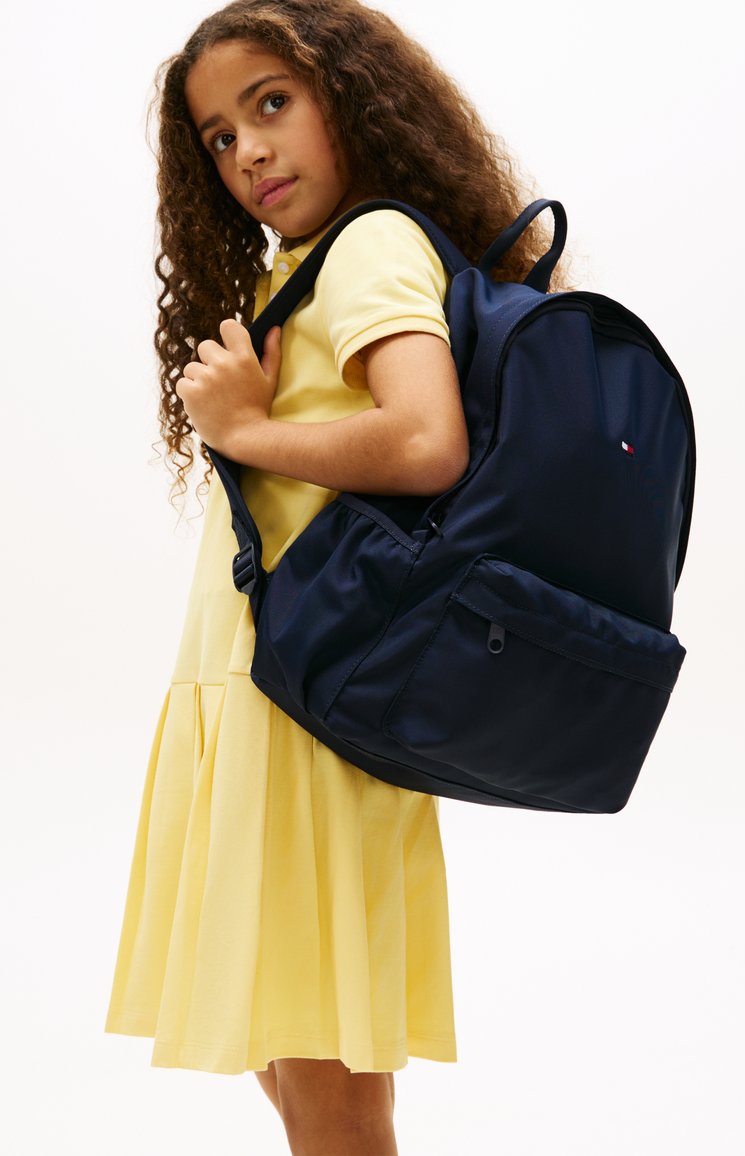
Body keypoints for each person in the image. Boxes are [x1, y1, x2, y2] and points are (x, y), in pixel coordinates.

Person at [104, 1, 570, 1152]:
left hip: (306, 711)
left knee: (329, 1091)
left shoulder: (368, 244)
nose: (247, 151)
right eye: (219, 135)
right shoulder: (306, 265)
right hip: (274, 689)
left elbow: (426, 440)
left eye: (272, 103)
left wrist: (247, 431)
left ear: (347, 97)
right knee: (289, 1053)